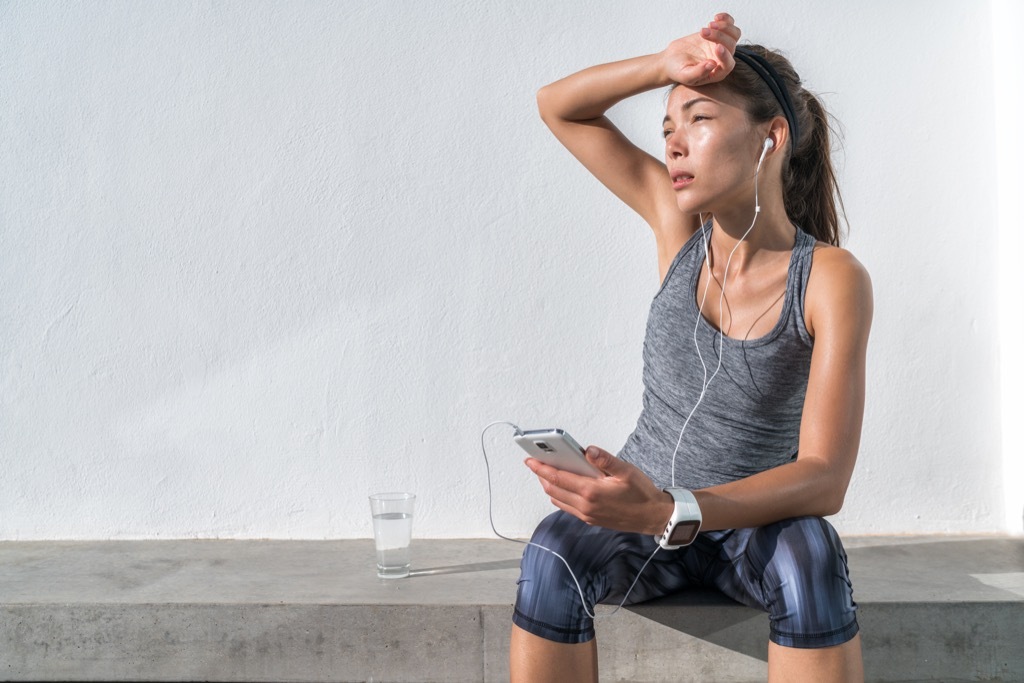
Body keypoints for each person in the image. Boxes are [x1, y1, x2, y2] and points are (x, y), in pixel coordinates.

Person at [510, 13, 872, 683]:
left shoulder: (827, 278)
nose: (675, 145)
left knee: (809, 555)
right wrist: (665, 65)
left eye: (699, 120)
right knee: (551, 550)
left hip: (753, 526)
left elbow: (825, 475)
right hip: (640, 510)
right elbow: (557, 107)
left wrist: (675, 510)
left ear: (772, 137)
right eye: (667, 128)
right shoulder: (679, 229)